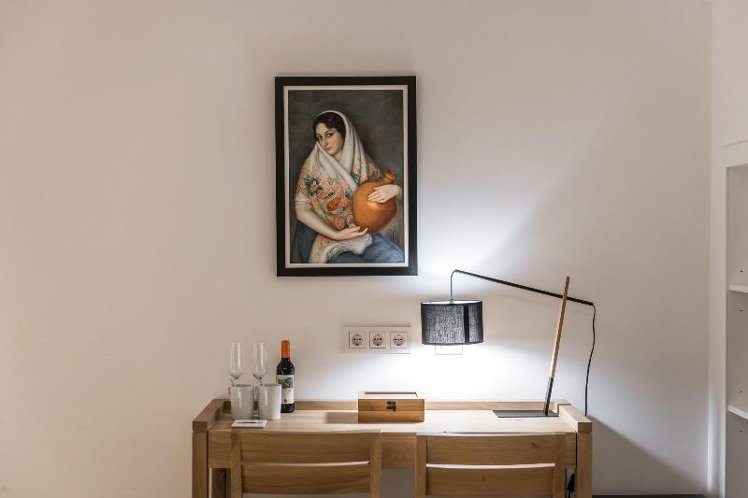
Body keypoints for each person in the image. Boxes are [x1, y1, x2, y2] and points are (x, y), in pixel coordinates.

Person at [291, 110, 405, 264]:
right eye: (320, 137)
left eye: (329, 134)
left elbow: (381, 188)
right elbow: (301, 210)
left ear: (344, 132)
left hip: (364, 235)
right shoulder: (312, 166)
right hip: (331, 240)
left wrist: (396, 190)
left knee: (397, 259)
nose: (324, 142)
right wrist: (337, 235)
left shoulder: (362, 161)